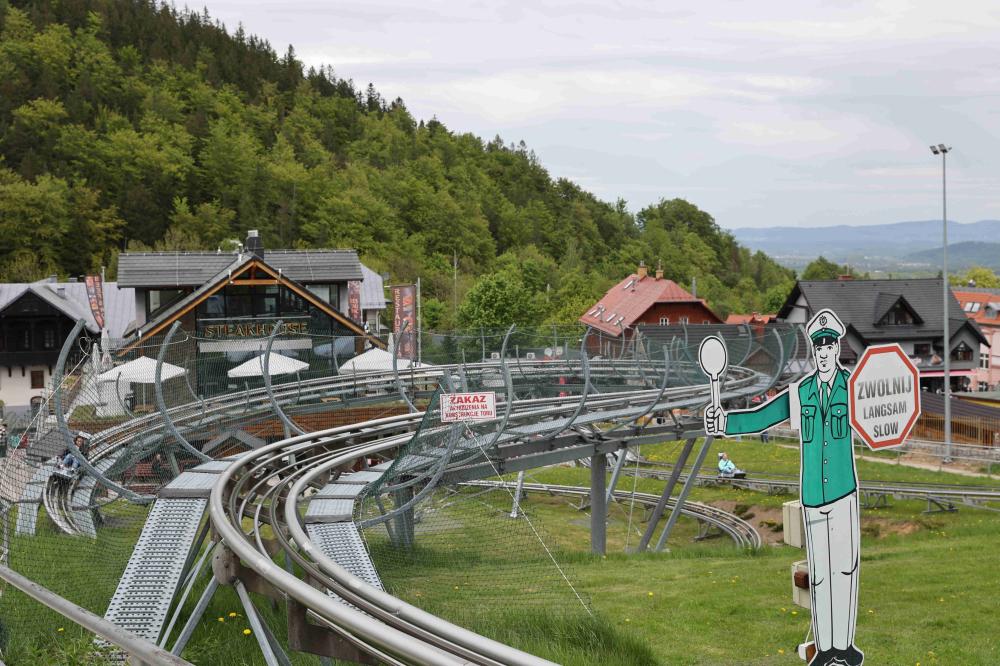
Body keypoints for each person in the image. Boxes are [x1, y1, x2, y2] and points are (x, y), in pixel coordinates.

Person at [705, 309, 864, 666]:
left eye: (829, 344)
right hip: (813, 496)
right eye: (818, 345)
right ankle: (826, 648)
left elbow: (879, 414)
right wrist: (725, 422)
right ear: (813, 349)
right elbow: (763, 415)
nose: (824, 352)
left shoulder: (853, 386)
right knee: (821, 575)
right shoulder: (801, 392)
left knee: (847, 570)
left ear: (838, 347)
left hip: (844, 492)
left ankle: (845, 644)